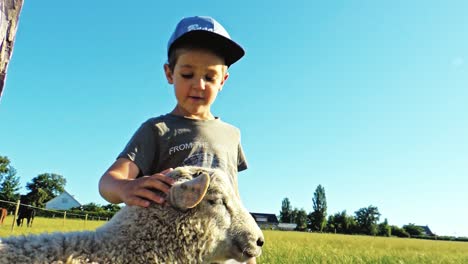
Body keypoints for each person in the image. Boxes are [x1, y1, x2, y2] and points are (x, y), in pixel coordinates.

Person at [98, 16, 256, 263]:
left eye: (210, 77)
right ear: (169, 73)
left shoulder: (231, 134)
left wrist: (248, 256)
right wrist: (126, 188)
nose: (199, 85)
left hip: (219, 253)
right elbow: (109, 181)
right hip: (169, 253)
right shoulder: (157, 129)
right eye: (187, 74)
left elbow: (233, 199)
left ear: (223, 80)